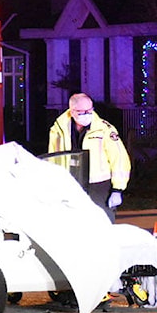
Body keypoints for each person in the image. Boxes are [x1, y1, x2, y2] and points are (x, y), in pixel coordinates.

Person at [48, 92, 131, 221]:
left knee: (102, 224)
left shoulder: (104, 129)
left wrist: (117, 189)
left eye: (90, 110)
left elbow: (119, 159)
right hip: (70, 183)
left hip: (98, 185)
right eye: (82, 112)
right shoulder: (58, 130)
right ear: (72, 111)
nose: (87, 115)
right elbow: (53, 158)